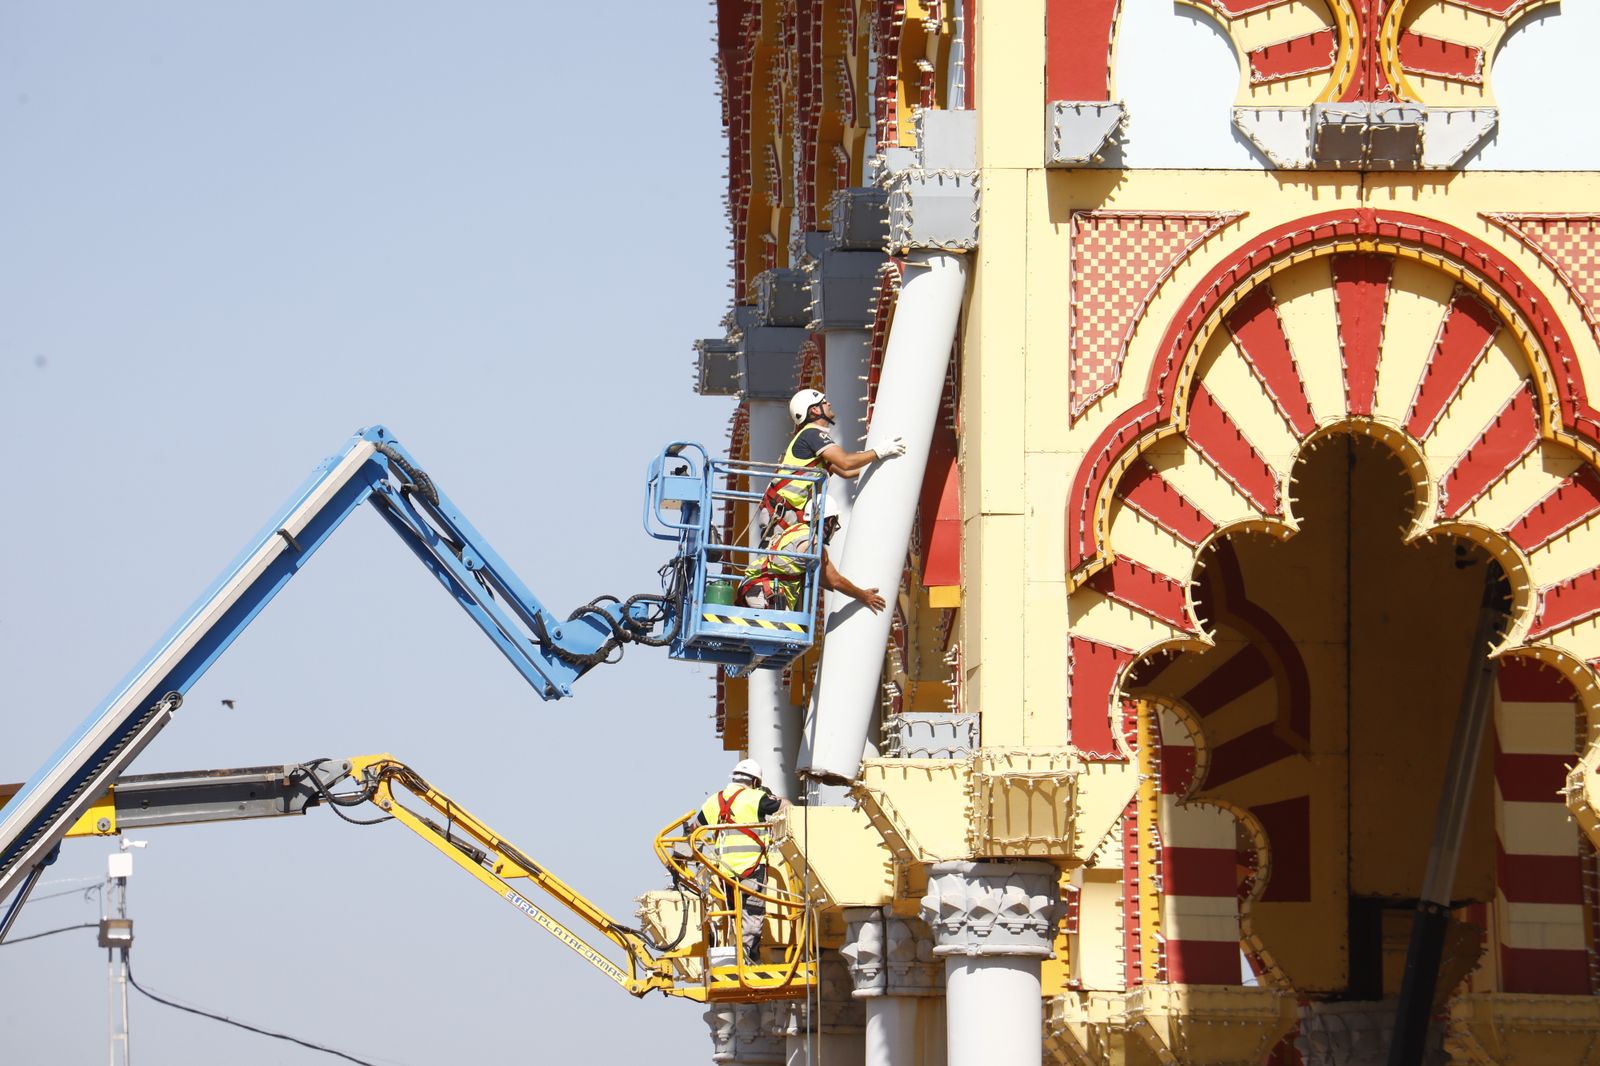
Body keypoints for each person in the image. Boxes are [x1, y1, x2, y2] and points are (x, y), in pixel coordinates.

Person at [759, 388, 907, 540]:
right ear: (815, 410)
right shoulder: (812, 434)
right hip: (782, 512)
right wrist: (878, 452)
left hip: (784, 511)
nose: (828, 403)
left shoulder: (812, 437)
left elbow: (847, 472)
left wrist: (878, 463)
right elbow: (845, 463)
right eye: (823, 402)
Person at [694, 758, 790, 964]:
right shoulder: (756, 797)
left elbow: (695, 828)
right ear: (755, 781)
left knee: (734, 914)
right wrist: (771, 796)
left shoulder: (714, 800)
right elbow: (787, 807)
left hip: (724, 871)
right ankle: (746, 956)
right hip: (751, 866)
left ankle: (734, 953)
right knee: (752, 913)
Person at [739, 493, 886, 614]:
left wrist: (845, 591)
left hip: (754, 587)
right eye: (834, 523)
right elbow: (835, 580)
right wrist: (864, 596)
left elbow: (823, 580)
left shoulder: (795, 529)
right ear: (828, 522)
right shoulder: (812, 543)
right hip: (765, 593)